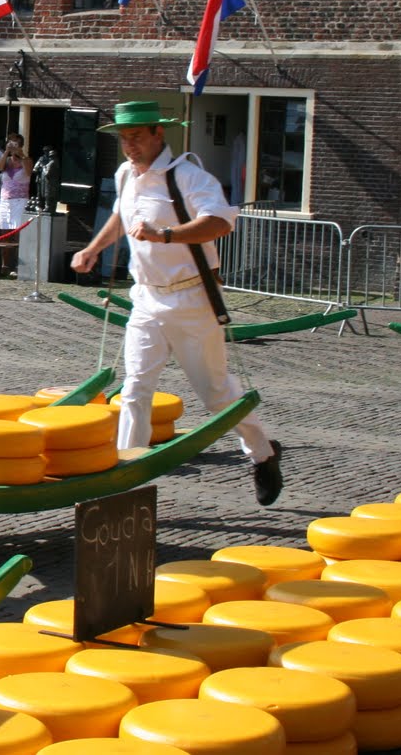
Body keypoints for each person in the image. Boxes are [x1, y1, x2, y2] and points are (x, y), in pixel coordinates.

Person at [70, 100, 284, 506]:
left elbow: (220, 222)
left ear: (158, 133)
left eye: (137, 136)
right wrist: (93, 248)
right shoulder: (123, 175)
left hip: (192, 298)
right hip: (146, 298)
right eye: (124, 137)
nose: (130, 145)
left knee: (217, 393)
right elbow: (121, 215)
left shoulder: (187, 175)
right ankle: (125, 477)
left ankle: (262, 453)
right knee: (134, 388)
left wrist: (166, 234)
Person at [0, 141, 31, 277]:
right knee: (4, 235)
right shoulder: (7, 161)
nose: (13, 148)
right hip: (5, 201)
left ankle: (17, 266)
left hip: (20, 201)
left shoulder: (27, 160)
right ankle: (4, 265)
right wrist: (6, 152)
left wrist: (21, 153)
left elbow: (29, 171)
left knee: (18, 235)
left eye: (16, 146)